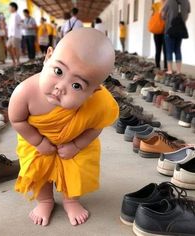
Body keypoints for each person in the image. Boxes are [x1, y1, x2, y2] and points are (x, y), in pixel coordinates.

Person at [8, 28, 119, 227]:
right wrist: (38, 142)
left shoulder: (98, 103)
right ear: (48, 56)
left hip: (72, 144)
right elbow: (17, 120)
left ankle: (71, 200)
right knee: (38, 169)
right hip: (37, 142)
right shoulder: (24, 92)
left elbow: (96, 127)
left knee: (77, 167)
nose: (60, 87)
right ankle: (45, 201)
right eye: (58, 71)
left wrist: (77, 145)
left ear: (93, 91)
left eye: (77, 86)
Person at [162, 0, 190, 74]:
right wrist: (181, 22)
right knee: (178, 49)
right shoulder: (186, 2)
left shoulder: (169, 2)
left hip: (169, 29)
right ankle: (178, 71)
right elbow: (187, 15)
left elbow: (163, 15)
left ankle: (170, 70)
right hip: (180, 29)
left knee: (169, 51)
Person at [151, 0, 167, 70]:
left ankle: (166, 67)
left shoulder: (169, 4)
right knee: (158, 49)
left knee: (166, 50)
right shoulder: (156, 5)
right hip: (157, 31)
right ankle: (157, 66)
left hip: (165, 31)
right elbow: (152, 16)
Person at [7, 2, 21, 66]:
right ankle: (14, 61)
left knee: (16, 48)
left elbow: (19, 24)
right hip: (10, 35)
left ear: (13, 8)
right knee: (8, 47)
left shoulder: (17, 15)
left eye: (9, 7)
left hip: (16, 34)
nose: (8, 9)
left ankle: (17, 61)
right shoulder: (11, 16)